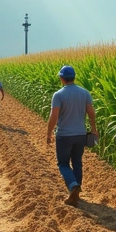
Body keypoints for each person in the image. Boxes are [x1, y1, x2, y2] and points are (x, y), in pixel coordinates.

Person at [45, 65, 96, 205]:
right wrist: (94, 128)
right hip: (80, 135)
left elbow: (54, 116)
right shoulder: (85, 93)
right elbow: (91, 112)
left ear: (62, 78)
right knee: (77, 162)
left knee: (62, 163)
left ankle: (73, 186)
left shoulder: (59, 95)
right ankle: (76, 192)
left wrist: (49, 133)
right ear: (74, 77)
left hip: (64, 135)